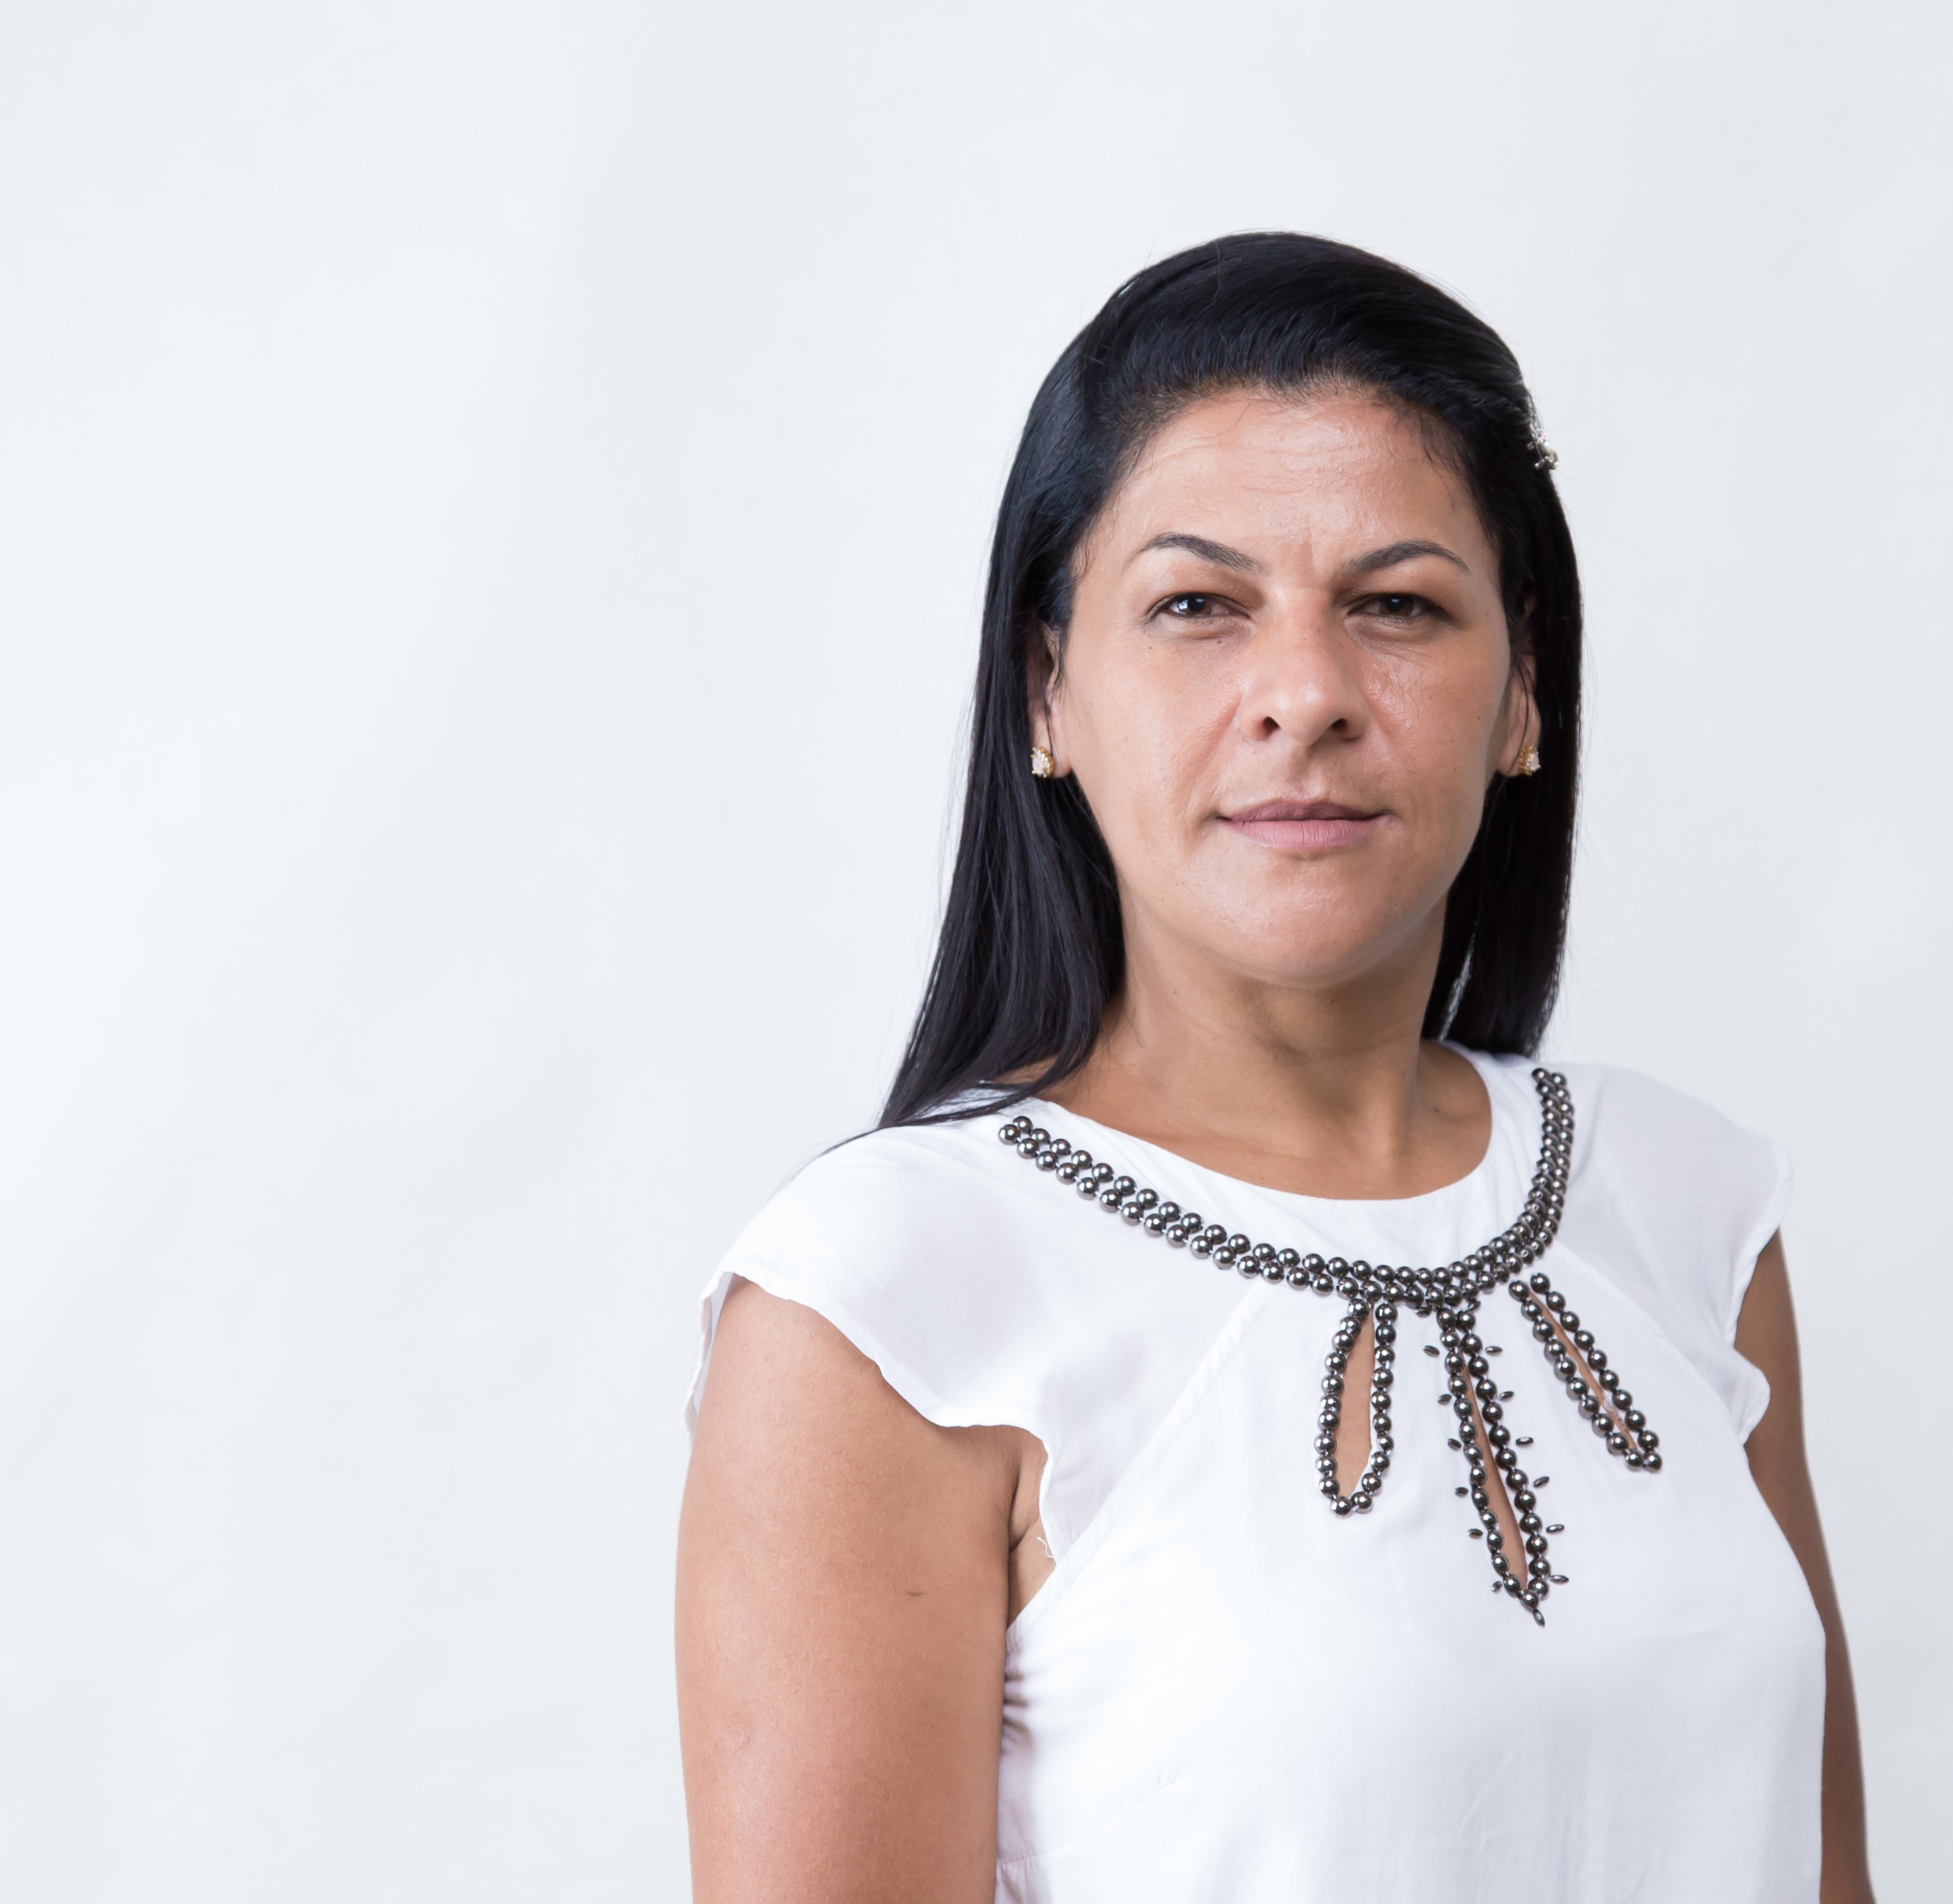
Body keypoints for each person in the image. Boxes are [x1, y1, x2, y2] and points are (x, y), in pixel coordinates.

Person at [676, 232, 1873, 1904]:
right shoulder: (888, 1298)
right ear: (1046, 689)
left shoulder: (1684, 1207)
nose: (1304, 694)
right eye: (1196, 607)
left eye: (1398, 606)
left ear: (1523, 690)